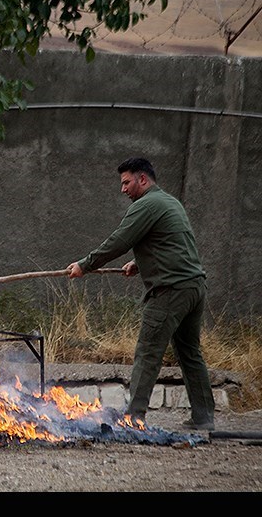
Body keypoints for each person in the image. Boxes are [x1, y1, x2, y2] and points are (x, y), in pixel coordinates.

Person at [66, 157, 215, 430]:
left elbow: (119, 241)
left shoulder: (145, 205)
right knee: (190, 352)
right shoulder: (169, 202)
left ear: (142, 179)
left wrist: (85, 265)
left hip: (170, 290)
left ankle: (133, 418)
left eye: (126, 183)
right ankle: (204, 417)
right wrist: (140, 262)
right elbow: (173, 241)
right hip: (194, 287)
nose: (123, 189)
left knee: (148, 353)